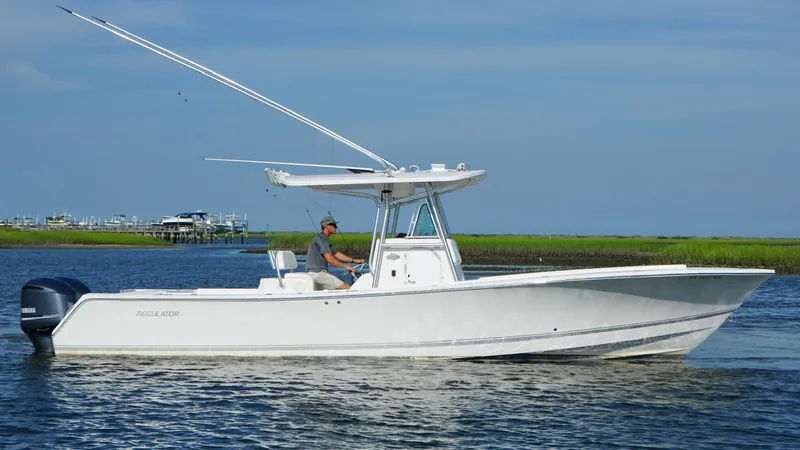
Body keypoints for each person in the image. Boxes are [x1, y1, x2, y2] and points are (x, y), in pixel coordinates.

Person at [306, 215, 365, 290]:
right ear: (326, 226)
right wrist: (346, 266)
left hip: (316, 273)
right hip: (318, 274)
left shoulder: (323, 239)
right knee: (347, 288)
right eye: (334, 225)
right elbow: (331, 260)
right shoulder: (322, 239)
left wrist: (354, 260)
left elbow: (337, 255)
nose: (336, 227)